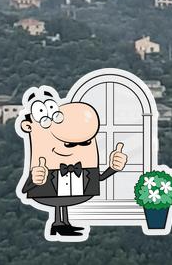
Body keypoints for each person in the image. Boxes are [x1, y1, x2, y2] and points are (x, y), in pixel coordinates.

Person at [18, 86, 127, 238]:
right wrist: (35, 180)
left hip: (72, 191)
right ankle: (59, 224)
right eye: (69, 144)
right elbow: (25, 189)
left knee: (62, 202)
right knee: (59, 201)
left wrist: (114, 167)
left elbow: (99, 177)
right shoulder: (43, 166)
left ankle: (62, 224)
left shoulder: (84, 169)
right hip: (52, 189)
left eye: (85, 143)